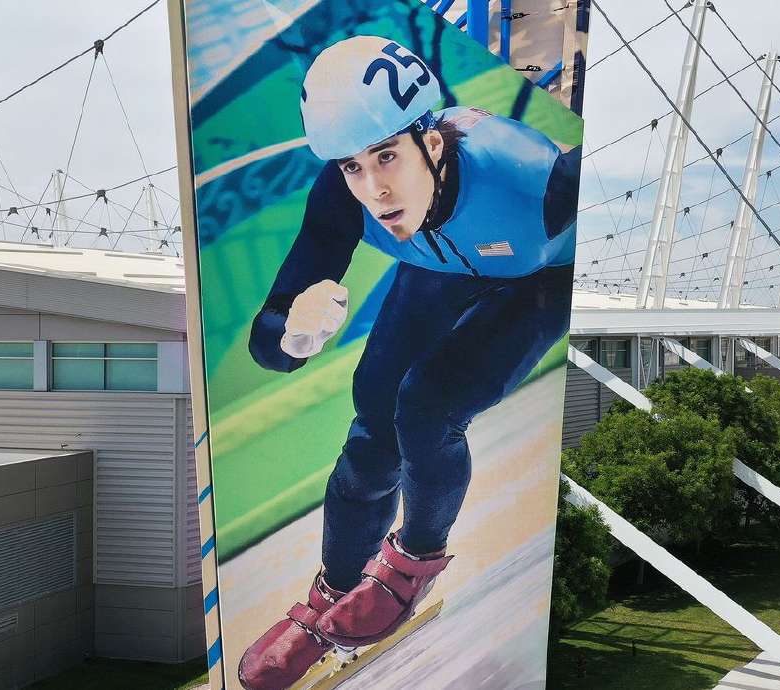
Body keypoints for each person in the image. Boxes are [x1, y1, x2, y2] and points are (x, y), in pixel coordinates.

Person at [237, 35, 579, 690]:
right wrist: (295, 335)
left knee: (426, 408)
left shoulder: (541, 185)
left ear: (435, 143)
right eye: (353, 167)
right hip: (439, 266)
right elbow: (268, 340)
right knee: (371, 428)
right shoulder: (343, 197)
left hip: (537, 278)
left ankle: (411, 566)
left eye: (387, 156)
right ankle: (329, 599)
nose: (376, 190)